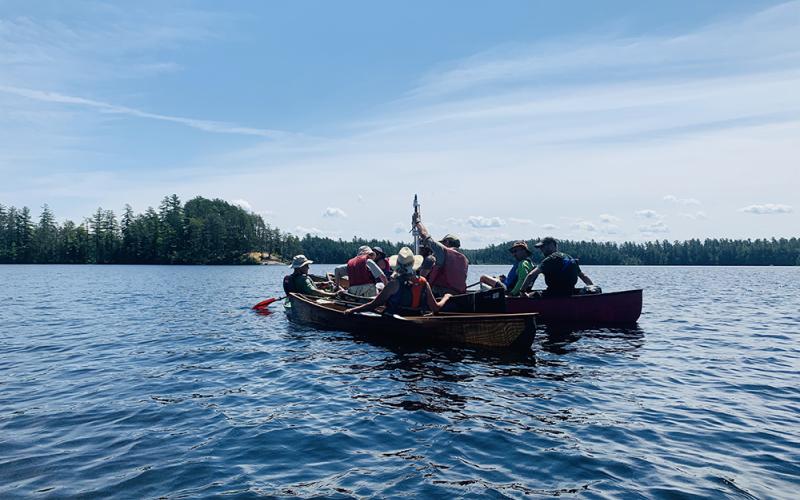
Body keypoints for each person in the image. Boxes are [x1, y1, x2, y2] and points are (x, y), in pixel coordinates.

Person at [344, 247, 451, 316]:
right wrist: (446, 297)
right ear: (413, 265)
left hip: (395, 318)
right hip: (416, 316)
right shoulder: (423, 282)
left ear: (398, 265)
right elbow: (435, 308)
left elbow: (374, 304)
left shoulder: (394, 283)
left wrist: (352, 310)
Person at [518, 237, 594, 297]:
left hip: (553, 295)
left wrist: (522, 291)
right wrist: (592, 288)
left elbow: (531, 275)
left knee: (529, 295)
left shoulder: (550, 259)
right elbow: (583, 276)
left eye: (542, 246)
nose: (541, 249)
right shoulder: (569, 258)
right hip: (570, 293)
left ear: (552, 245)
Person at [414, 221, 468, 296]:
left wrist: (417, 222)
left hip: (441, 294)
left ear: (447, 242)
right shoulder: (465, 259)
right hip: (458, 294)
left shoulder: (444, 252)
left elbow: (424, 235)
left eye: (442, 243)